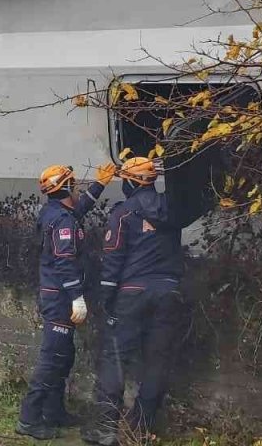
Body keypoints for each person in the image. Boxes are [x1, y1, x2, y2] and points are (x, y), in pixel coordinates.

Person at [83, 156, 188, 446]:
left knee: (115, 358)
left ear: (130, 182)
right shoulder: (172, 210)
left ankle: (105, 430)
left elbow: (113, 259)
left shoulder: (124, 213)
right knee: (158, 360)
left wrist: (104, 300)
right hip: (169, 293)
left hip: (131, 295)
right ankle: (139, 428)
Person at [16, 162, 117, 440]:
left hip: (56, 296)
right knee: (52, 359)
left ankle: (54, 411)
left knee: (63, 357)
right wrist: (77, 298)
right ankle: (29, 418)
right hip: (60, 300)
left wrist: (100, 185)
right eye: (73, 185)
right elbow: (64, 262)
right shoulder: (61, 220)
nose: (77, 188)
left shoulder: (58, 212)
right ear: (64, 188)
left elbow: (79, 209)